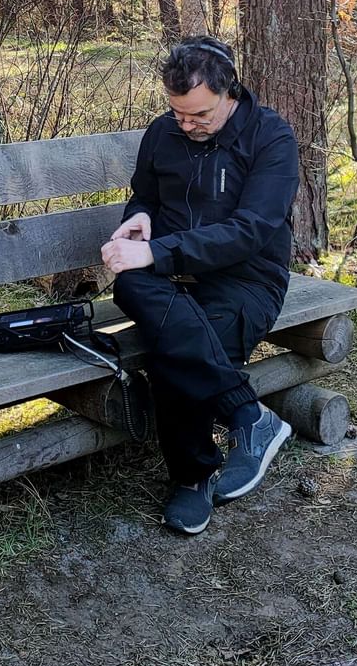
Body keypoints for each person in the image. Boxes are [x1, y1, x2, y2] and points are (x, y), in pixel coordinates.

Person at [101, 36, 300, 535]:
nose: (187, 125)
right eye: (178, 114)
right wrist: (138, 221)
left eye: (200, 115)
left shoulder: (271, 137)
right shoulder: (162, 132)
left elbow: (251, 230)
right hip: (166, 277)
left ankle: (192, 478)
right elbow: (143, 196)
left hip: (244, 279)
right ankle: (248, 415)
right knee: (130, 287)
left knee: (175, 349)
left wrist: (157, 252)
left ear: (229, 91)